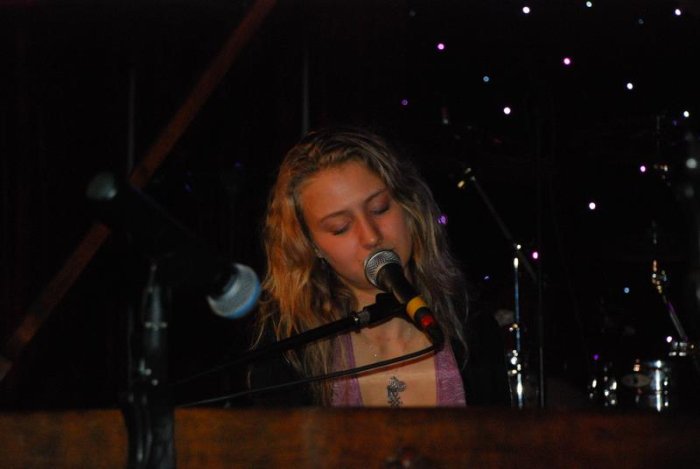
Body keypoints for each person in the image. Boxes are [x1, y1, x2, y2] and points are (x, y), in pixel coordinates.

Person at [248, 127, 510, 407]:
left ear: (408, 206)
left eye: (380, 208)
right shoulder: (289, 350)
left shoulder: (471, 326)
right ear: (311, 246)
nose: (371, 236)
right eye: (341, 227)